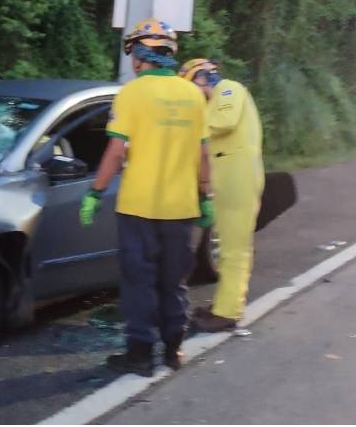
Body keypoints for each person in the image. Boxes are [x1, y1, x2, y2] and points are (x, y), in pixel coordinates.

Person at [79, 19, 211, 376]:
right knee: (173, 282)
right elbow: (202, 154)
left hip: (138, 208)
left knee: (139, 284)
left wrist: (95, 192)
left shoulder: (132, 93)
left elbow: (115, 152)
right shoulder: (193, 95)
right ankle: (173, 350)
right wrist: (205, 196)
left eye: (132, 53)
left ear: (140, 54)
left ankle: (139, 357)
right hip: (180, 210)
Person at [178, 58, 265, 332]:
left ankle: (229, 312)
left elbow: (224, 122)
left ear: (203, 77)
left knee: (234, 249)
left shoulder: (229, 89)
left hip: (239, 180)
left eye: (193, 86)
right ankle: (222, 306)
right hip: (226, 180)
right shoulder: (211, 102)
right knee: (227, 248)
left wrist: (185, 124)